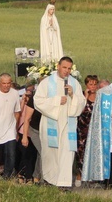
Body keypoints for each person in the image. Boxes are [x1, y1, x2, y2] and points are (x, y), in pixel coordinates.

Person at [33, 57, 86, 189]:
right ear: (58, 66)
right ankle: (50, 180)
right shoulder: (46, 83)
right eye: (64, 67)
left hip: (68, 124)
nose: (66, 71)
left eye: (69, 68)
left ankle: (64, 183)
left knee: (67, 153)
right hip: (51, 122)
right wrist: (56, 101)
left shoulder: (75, 83)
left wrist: (73, 96)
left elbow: (82, 102)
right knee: (50, 152)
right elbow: (37, 101)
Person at [75, 74, 98, 186]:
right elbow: (79, 109)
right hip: (82, 128)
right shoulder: (82, 96)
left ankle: (91, 176)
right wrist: (85, 96)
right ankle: (79, 174)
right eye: (90, 84)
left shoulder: (99, 97)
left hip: (94, 129)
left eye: (95, 84)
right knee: (81, 152)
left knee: (93, 152)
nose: (93, 86)